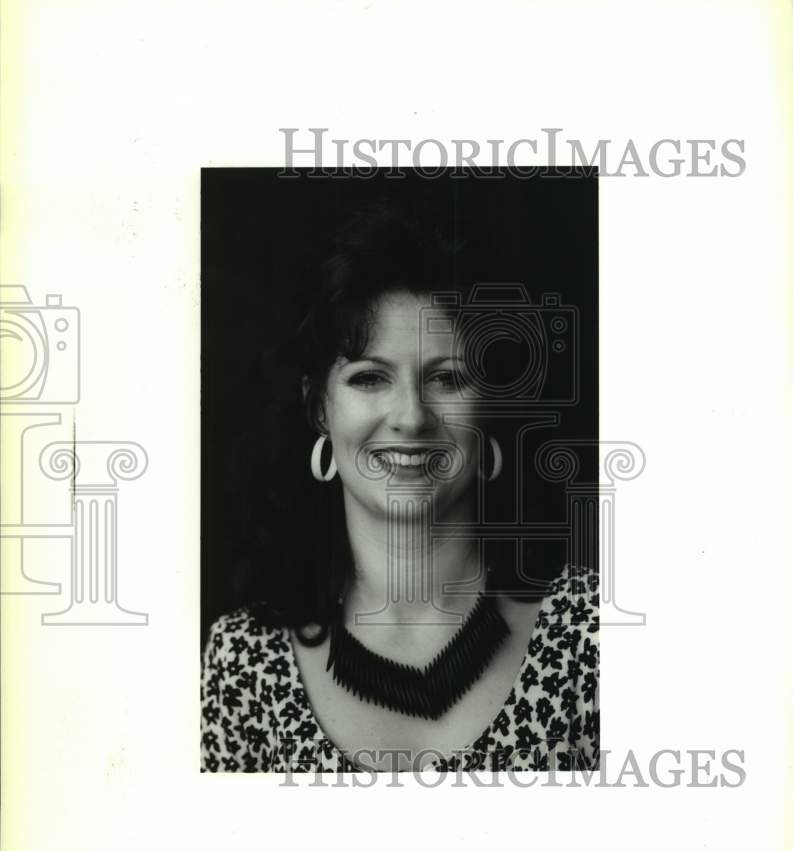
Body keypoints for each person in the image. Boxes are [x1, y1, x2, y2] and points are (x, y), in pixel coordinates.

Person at [201, 198, 599, 774]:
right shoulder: (242, 660)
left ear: (490, 406)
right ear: (320, 409)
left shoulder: (592, 635)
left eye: (447, 377)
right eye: (369, 378)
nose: (411, 418)